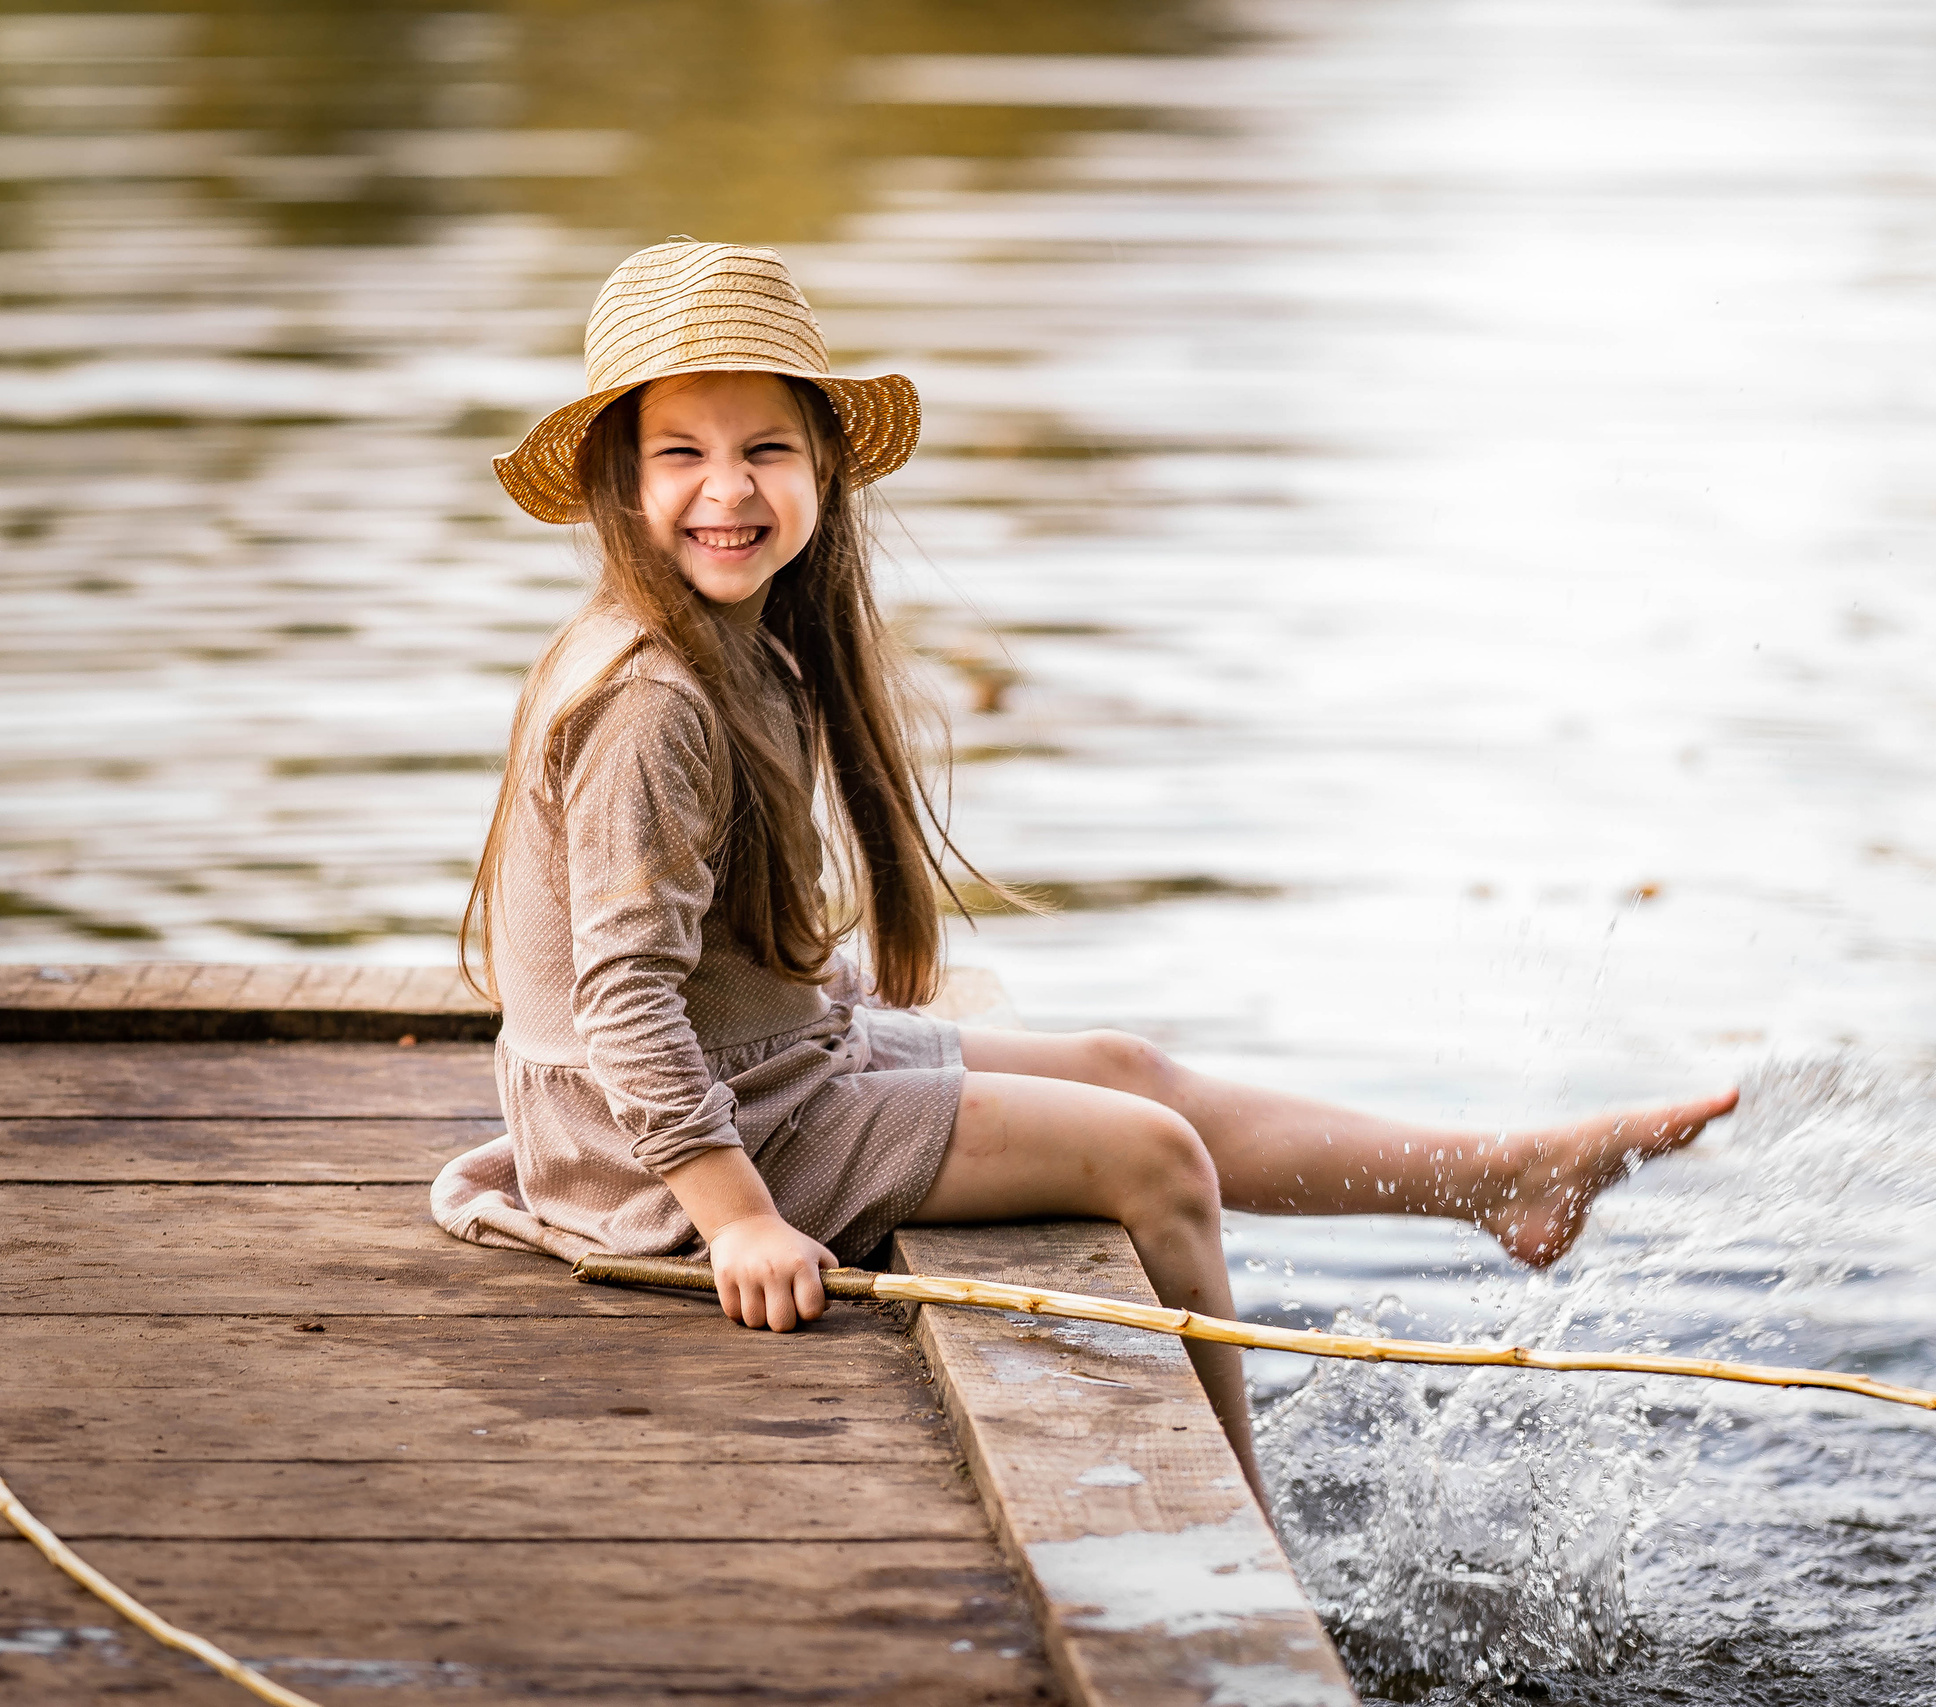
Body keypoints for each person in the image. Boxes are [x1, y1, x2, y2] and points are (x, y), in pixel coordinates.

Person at [429, 241, 1738, 1504]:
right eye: (684, 455)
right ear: (618, 476)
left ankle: (1496, 1178)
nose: (732, 490)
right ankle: (1245, 1544)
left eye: (767, 448)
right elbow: (625, 1003)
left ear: (823, 466)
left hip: (761, 1075)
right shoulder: (651, 697)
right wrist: (740, 1222)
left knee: (1127, 1067)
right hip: (677, 1155)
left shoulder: (732, 639)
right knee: (1152, 1157)